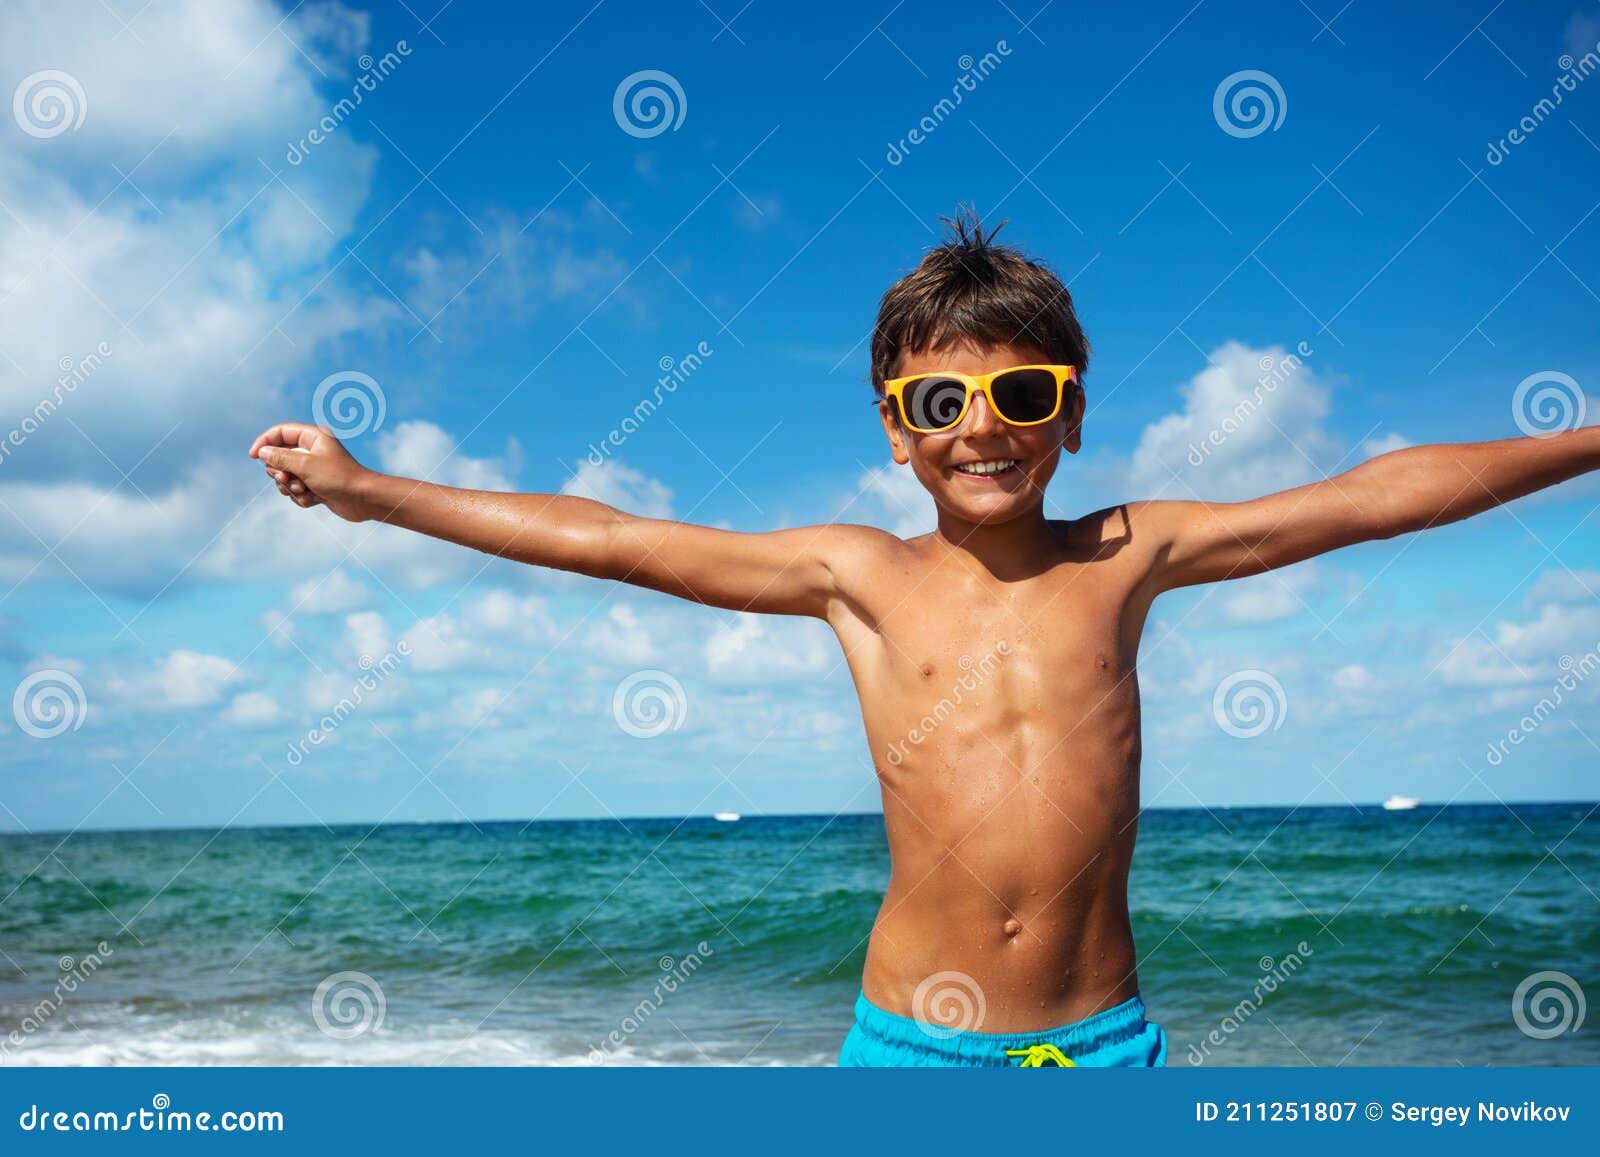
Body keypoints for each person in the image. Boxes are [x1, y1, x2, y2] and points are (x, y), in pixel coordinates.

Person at [250, 209, 1599, 1067]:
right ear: (898, 429)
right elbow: (608, 537)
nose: (981, 423)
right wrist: (375, 493)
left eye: (1020, 389)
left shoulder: (1131, 553)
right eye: (940, 395)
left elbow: (1367, 496)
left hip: (1105, 1043)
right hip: (907, 1049)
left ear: (1069, 411)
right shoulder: (859, 575)